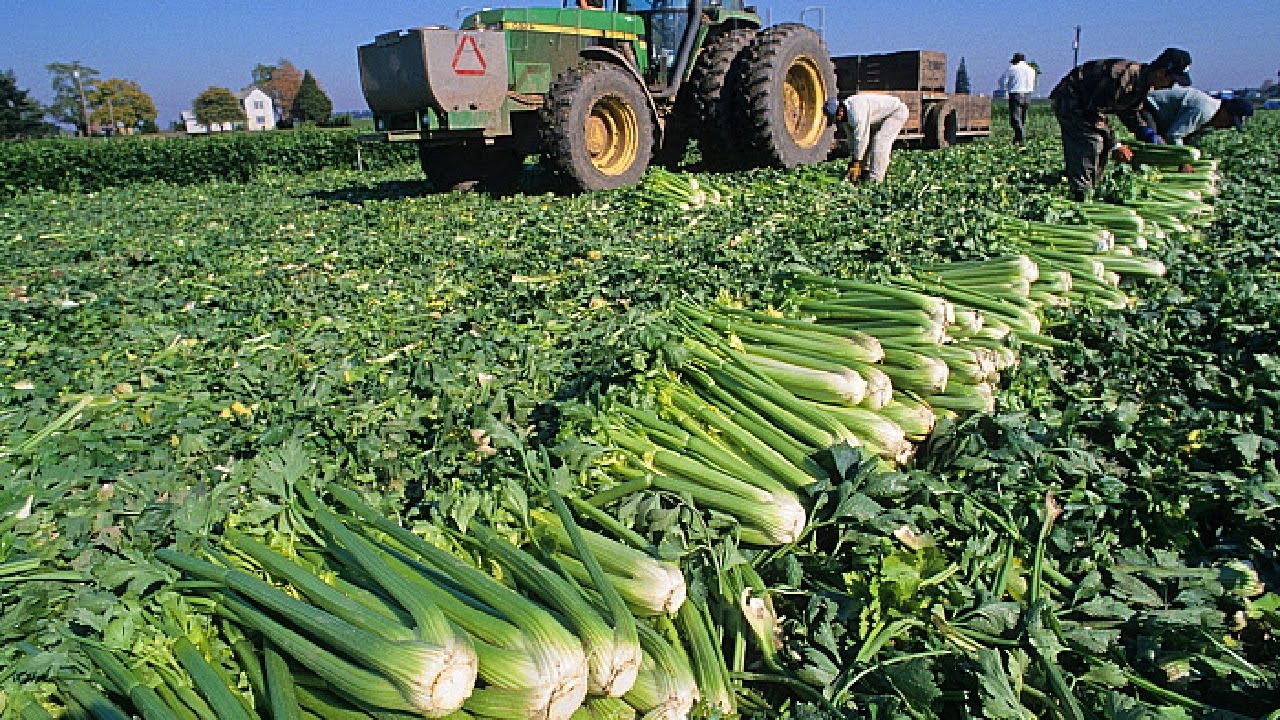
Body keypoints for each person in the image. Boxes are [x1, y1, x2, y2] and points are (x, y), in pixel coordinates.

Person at [1049, 47, 1192, 199]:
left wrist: (1147, 134)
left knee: (1102, 144)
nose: (1171, 86)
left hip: (1088, 107)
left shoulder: (1142, 83)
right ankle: (1080, 194)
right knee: (1092, 142)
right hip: (1071, 100)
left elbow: (1130, 112)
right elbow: (1093, 112)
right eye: (1172, 80)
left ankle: (1090, 189)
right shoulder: (1121, 77)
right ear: (1161, 72)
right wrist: (1116, 145)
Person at [822, 94, 910, 183]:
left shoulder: (856, 113)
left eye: (836, 118)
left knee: (879, 141)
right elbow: (852, 138)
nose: (837, 121)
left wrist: (857, 161)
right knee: (867, 144)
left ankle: (875, 180)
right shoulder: (844, 116)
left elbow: (861, 138)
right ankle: (865, 172)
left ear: (840, 110)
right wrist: (854, 159)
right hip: (878, 117)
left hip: (896, 112)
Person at [1143, 86, 1254, 145]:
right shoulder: (1205, 111)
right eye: (1230, 122)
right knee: (1154, 145)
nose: (1226, 126)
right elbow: (1174, 135)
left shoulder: (1211, 118)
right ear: (1225, 111)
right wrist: (1183, 161)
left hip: (1163, 118)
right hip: (1149, 108)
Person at [998, 53, 1037, 143]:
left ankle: (1019, 136)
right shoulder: (1031, 70)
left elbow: (1002, 82)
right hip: (1028, 94)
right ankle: (1019, 135)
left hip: (1015, 94)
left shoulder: (1012, 69)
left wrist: (1006, 89)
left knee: (1015, 117)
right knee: (1023, 116)